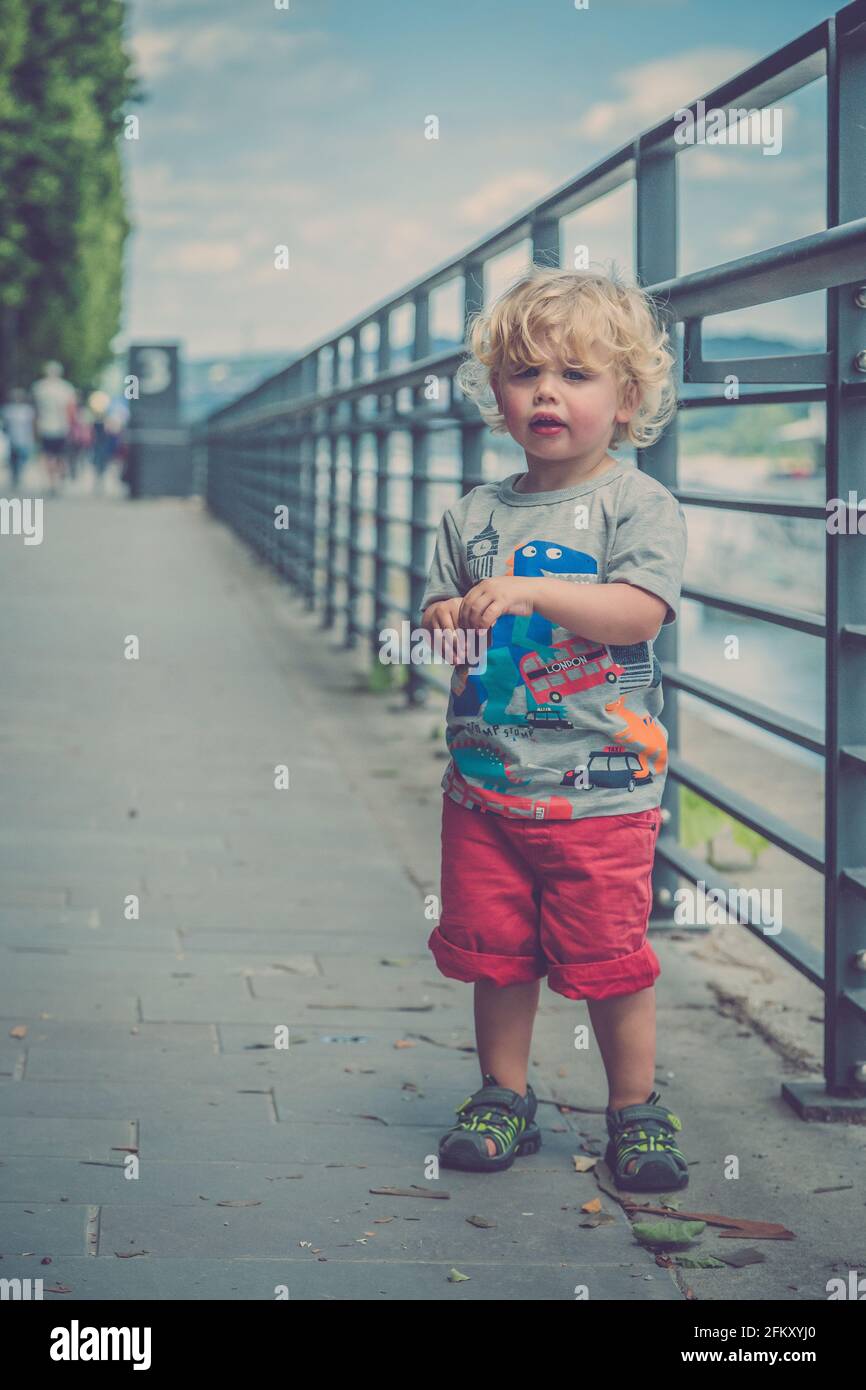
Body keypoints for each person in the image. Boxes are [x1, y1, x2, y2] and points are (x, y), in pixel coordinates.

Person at [419, 264, 689, 1188]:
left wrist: (535, 589)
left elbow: (636, 614)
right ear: (496, 392)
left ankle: (635, 1110)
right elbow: (439, 617)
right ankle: (504, 1093)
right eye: (526, 372)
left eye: (577, 375)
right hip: (487, 787)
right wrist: (447, 618)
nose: (548, 392)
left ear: (627, 400)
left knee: (611, 957)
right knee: (497, 952)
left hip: (602, 792)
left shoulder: (635, 505)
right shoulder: (472, 515)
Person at [31, 360, 77, 493]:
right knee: (60, 455)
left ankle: (52, 483)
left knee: (48, 456)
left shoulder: (39, 388)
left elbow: (35, 411)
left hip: (45, 426)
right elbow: (71, 410)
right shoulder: (66, 388)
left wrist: (34, 429)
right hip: (62, 427)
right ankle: (59, 475)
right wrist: (73, 426)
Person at [1, 387, 36, 490]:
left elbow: (33, 426)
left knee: (23, 459)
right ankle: (14, 477)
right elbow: (4, 426)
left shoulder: (27, 410)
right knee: (13, 460)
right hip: (12, 440)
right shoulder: (7, 410)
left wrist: (33, 438)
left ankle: (18, 475)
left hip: (25, 440)